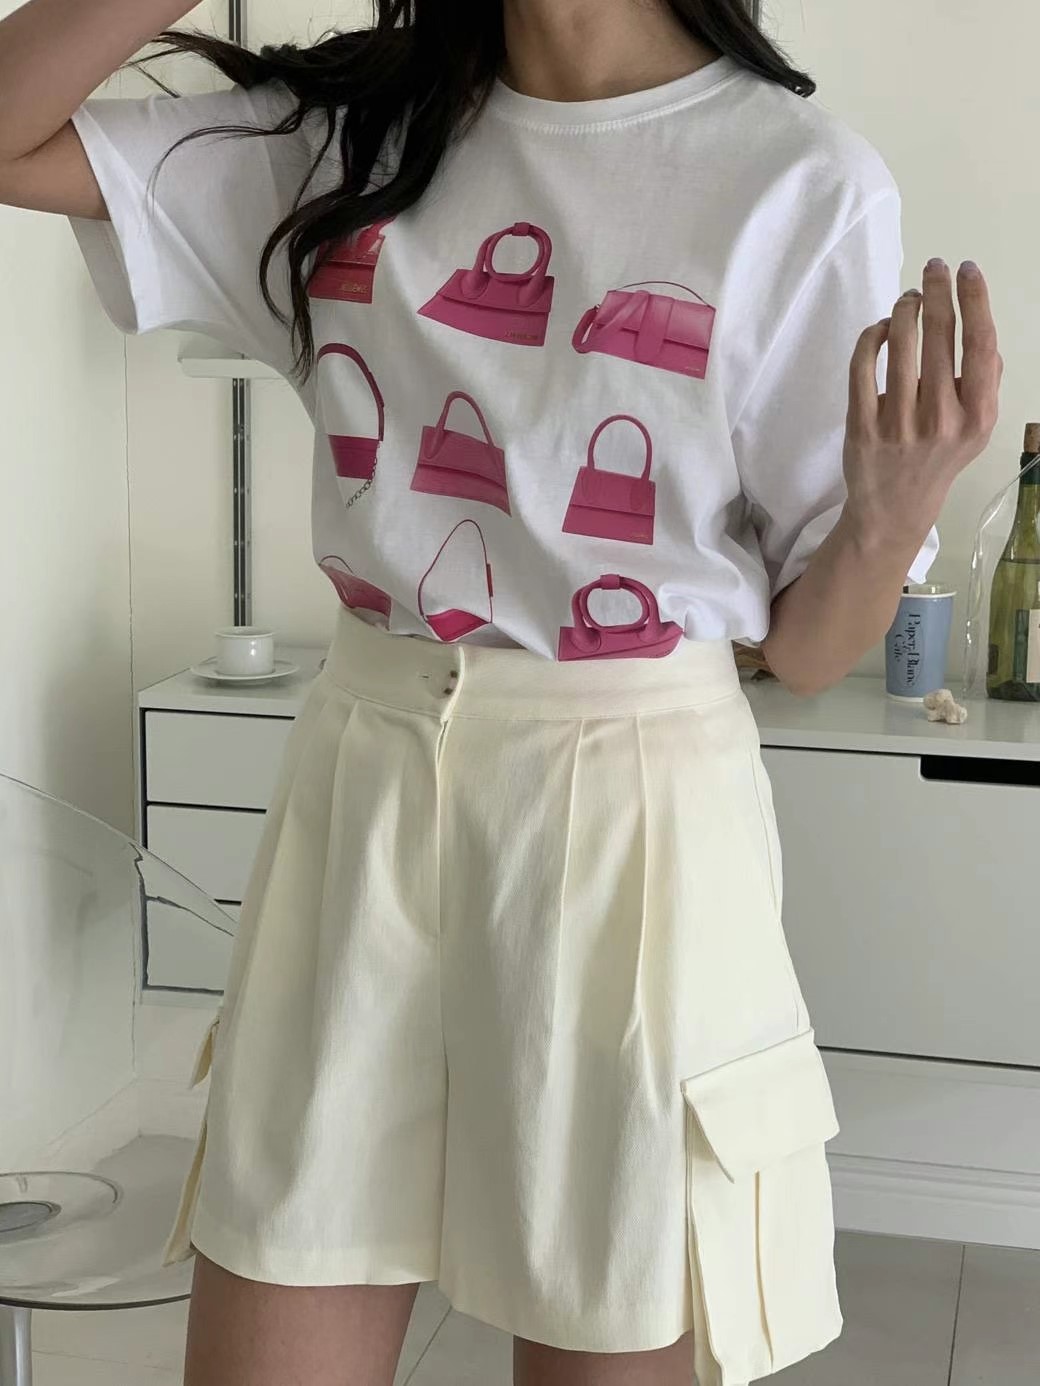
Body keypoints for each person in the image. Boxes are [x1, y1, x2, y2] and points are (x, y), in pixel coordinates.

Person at [0, 1, 1002, 1383]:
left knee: (604, 1324)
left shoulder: (796, 181)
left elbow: (809, 652)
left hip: (633, 824)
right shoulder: (346, 138)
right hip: (363, 794)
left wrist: (888, 523)